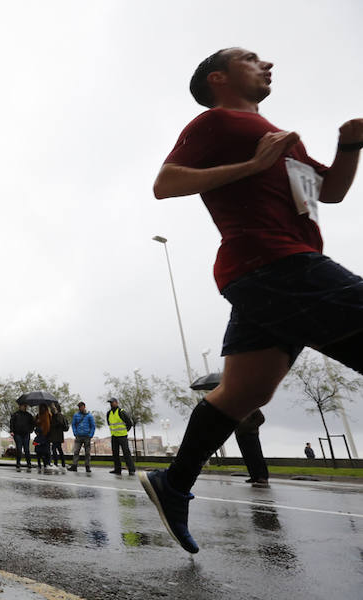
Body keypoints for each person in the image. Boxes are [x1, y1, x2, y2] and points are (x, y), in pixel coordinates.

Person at [141, 47, 363, 554]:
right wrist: (252, 164)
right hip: (273, 262)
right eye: (251, 58)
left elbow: (329, 193)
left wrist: (350, 146)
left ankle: (173, 483)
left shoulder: (284, 137)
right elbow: (165, 184)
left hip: (273, 271)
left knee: (243, 393)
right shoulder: (216, 122)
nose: (268, 64)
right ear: (218, 78)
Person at [235, 409, 268, 487]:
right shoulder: (235, 408)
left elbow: (261, 419)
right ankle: (254, 476)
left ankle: (263, 476)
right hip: (240, 434)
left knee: (256, 455)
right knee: (247, 457)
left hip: (251, 434)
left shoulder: (252, 407)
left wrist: (250, 427)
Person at [106, 398, 136, 475]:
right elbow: (109, 424)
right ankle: (117, 469)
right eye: (110, 403)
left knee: (126, 453)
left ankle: (131, 469)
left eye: (112, 402)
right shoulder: (109, 413)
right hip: (114, 436)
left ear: (117, 403)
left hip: (122, 436)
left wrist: (126, 431)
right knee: (115, 453)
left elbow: (129, 423)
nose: (111, 404)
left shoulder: (121, 412)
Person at [68, 402, 95, 472]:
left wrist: (91, 435)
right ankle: (74, 465)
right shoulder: (76, 415)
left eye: (81, 406)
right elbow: (73, 424)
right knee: (76, 451)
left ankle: (87, 466)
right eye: (79, 407)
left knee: (87, 453)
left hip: (87, 436)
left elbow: (93, 426)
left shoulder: (89, 416)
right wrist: (75, 433)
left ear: (84, 407)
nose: (80, 408)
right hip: (78, 436)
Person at [9, 402, 35, 470]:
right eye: (23, 406)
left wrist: (31, 430)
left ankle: (29, 463)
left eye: (26, 406)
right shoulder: (15, 414)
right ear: (20, 406)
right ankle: (18, 463)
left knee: (26, 449)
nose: (25, 407)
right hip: (17, 434)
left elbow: (32, 423)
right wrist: (11, 431)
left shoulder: (29, 415)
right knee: (19, 449)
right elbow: (11, 423)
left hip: (26, 434)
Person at [49, 402, 69, 470]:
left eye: (53, 408)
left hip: (57, 435)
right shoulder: (55, 415)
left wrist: (52, 425)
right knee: (59, 449)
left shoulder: (58, 415)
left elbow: (59, 423)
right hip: (56, 435)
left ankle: (56, 463)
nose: (51, 409)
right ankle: (62, 463)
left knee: (54, 449)